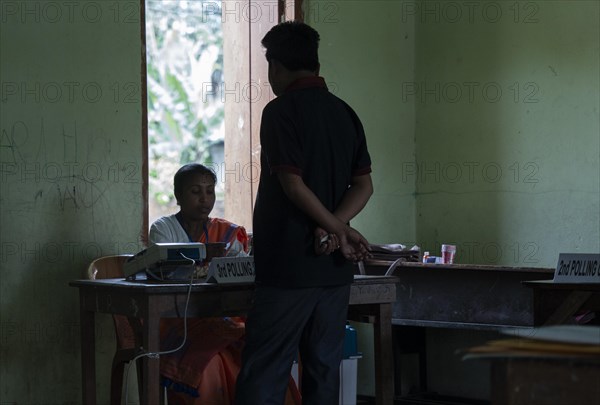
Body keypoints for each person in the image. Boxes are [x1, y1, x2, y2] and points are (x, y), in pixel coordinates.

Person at [235, 21, 373, 405]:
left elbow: (292, 185)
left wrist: (334, 228)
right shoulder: (345, 113)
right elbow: (364, 186)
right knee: (324, 369)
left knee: (266, 369)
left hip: (288, 268)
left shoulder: (280, 112)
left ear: (276, 66)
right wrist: (337, 227)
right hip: (332, 270)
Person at [149, 163, 249, 404]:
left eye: (210, 191)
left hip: (220, 319)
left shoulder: (226, 233)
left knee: (261, 350)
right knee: (210, 362)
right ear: (178, 196)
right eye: (195, 192)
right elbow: (165, 273)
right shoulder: (163, 230)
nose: (205, 199)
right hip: (177, 324)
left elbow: (244, 269)